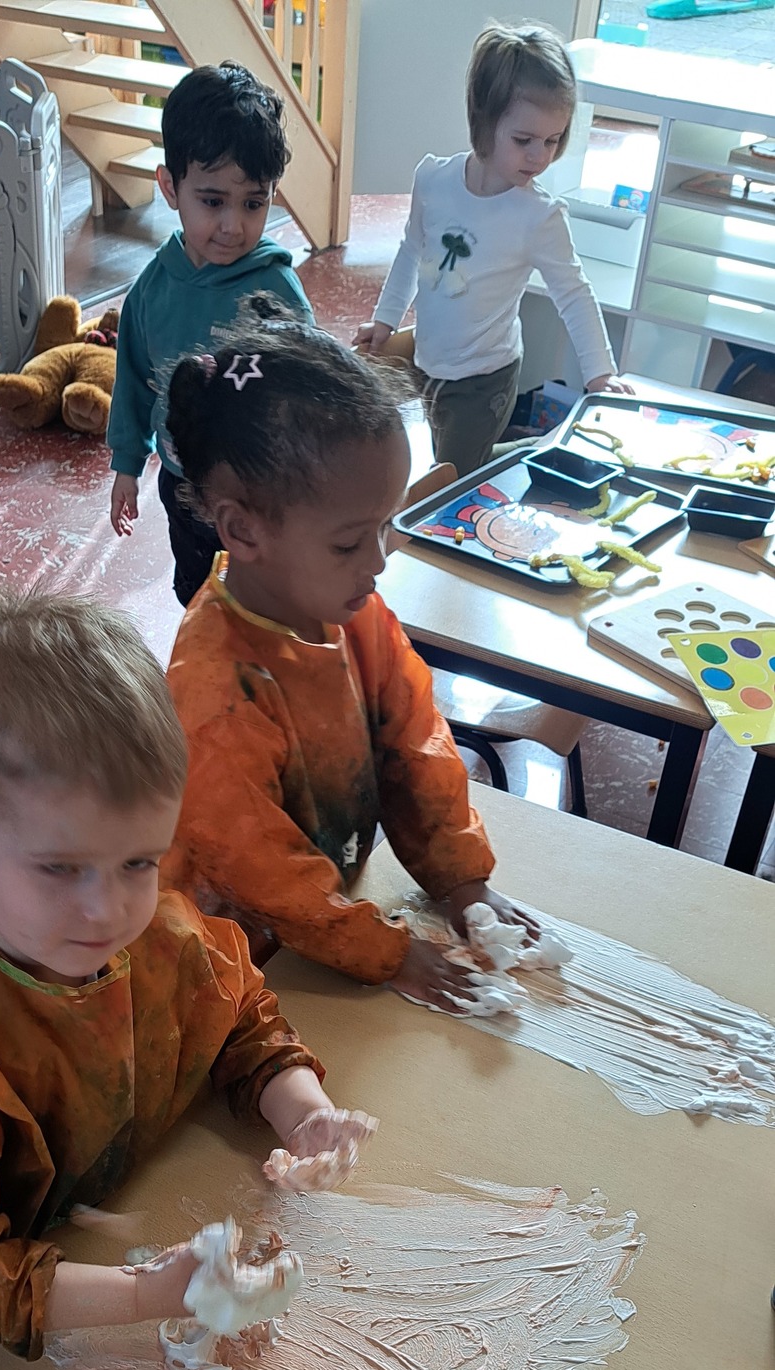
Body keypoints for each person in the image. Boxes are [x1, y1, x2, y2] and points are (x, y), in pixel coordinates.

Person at [0, 592, 373, 1369]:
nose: (108, 910)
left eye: (139, 861)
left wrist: (301, 1111)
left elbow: (240, 1018)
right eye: (58, 868)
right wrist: (148, 1295)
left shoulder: (158, 932)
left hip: (124, 1210)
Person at [161, 311, 538, 1011]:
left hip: (326, 921)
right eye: (348, 543)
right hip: (230, 970)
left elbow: (416, 746)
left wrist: (461, 882)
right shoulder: (214, 693)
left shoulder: (352, 613)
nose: (378, 562)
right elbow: (258, 871)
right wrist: (383, 952)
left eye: (384, 528)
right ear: (243, 530)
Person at [355, 23, 632, 476]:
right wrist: (385, 320)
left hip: (486, 378)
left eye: (553, 140)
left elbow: (574, 293)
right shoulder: (433, 180)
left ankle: (539, 449)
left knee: (451, 479)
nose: (540, 156)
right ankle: (530, 449)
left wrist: (601, 374)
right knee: (454, 464)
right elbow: (411, 251)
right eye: (524, 140)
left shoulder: (538, 217)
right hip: (428, 363)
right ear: (484, 120)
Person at [107, 60, 313, 606]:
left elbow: (313, 394)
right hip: (181, 484)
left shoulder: (275, 291)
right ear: (170, 187)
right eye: (213, 201)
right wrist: (127, 465)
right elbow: (133, 382)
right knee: (198, 600)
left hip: (258, 495)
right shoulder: (151, 290)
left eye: (254, 203)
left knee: (261, 605)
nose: (233, 226)